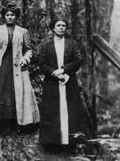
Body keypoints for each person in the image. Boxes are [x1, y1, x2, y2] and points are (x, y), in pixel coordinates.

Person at [0, 3, 40, 131]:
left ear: (16, 17)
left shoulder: (22, 31)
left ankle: (17, 123)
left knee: (17, 93)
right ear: (4, 16)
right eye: (7, 15)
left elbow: (28, 49)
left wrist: (25, 59)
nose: (10, 17)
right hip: (1, 67)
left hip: (17, 68)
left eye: (12, 15)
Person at [39, 17, 90, 150]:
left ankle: (70, 143)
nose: (61, 27)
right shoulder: (46, 45)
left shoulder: (72, 44)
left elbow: (78, 61)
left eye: (63, 25)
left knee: (70, 111)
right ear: (53, 28)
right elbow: (42, 63)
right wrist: (54, 73)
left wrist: (64, 71)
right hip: (52, 84)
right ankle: (52, 143)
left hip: (69, 82)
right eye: (58, 25)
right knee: (52, 112)